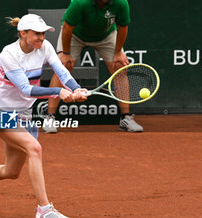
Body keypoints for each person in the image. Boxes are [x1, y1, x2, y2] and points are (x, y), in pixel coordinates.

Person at [0, 14, 87, 218]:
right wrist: (58, 92)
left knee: (11, 171)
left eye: (43, 34)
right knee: (35, 148)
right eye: (37, 34)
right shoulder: (9, 54)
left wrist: (75, 88)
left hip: (23, 115)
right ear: (23, 33)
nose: (41, 38)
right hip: (1, 113)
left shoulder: (45, 48)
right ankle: (44, 210)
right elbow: (25, 89)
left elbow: (61, 71)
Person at [43, 0, 143, 133]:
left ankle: (126, 118)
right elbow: (67, 28)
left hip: (106, 36)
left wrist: (118, 52)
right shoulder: (80, 2)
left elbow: (122, 27)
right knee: (63, 67)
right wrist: (66, 54)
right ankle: (50, 117)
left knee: (119, 66)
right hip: (75, 36)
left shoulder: (121, 2)